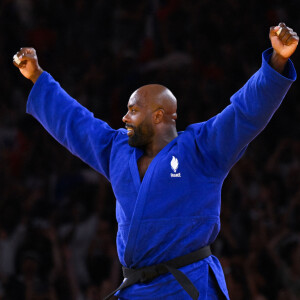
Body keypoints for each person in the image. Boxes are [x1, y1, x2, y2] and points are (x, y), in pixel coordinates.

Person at [14, 23, 298, 299]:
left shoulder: (201, 149)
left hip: (188, 287)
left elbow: (244, 113)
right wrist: (37, 76)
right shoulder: (118, 151)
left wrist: (276, 62)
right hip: (136, 290)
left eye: (133, 110)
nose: (125, 118)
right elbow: (77, 124)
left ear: (159, 116)